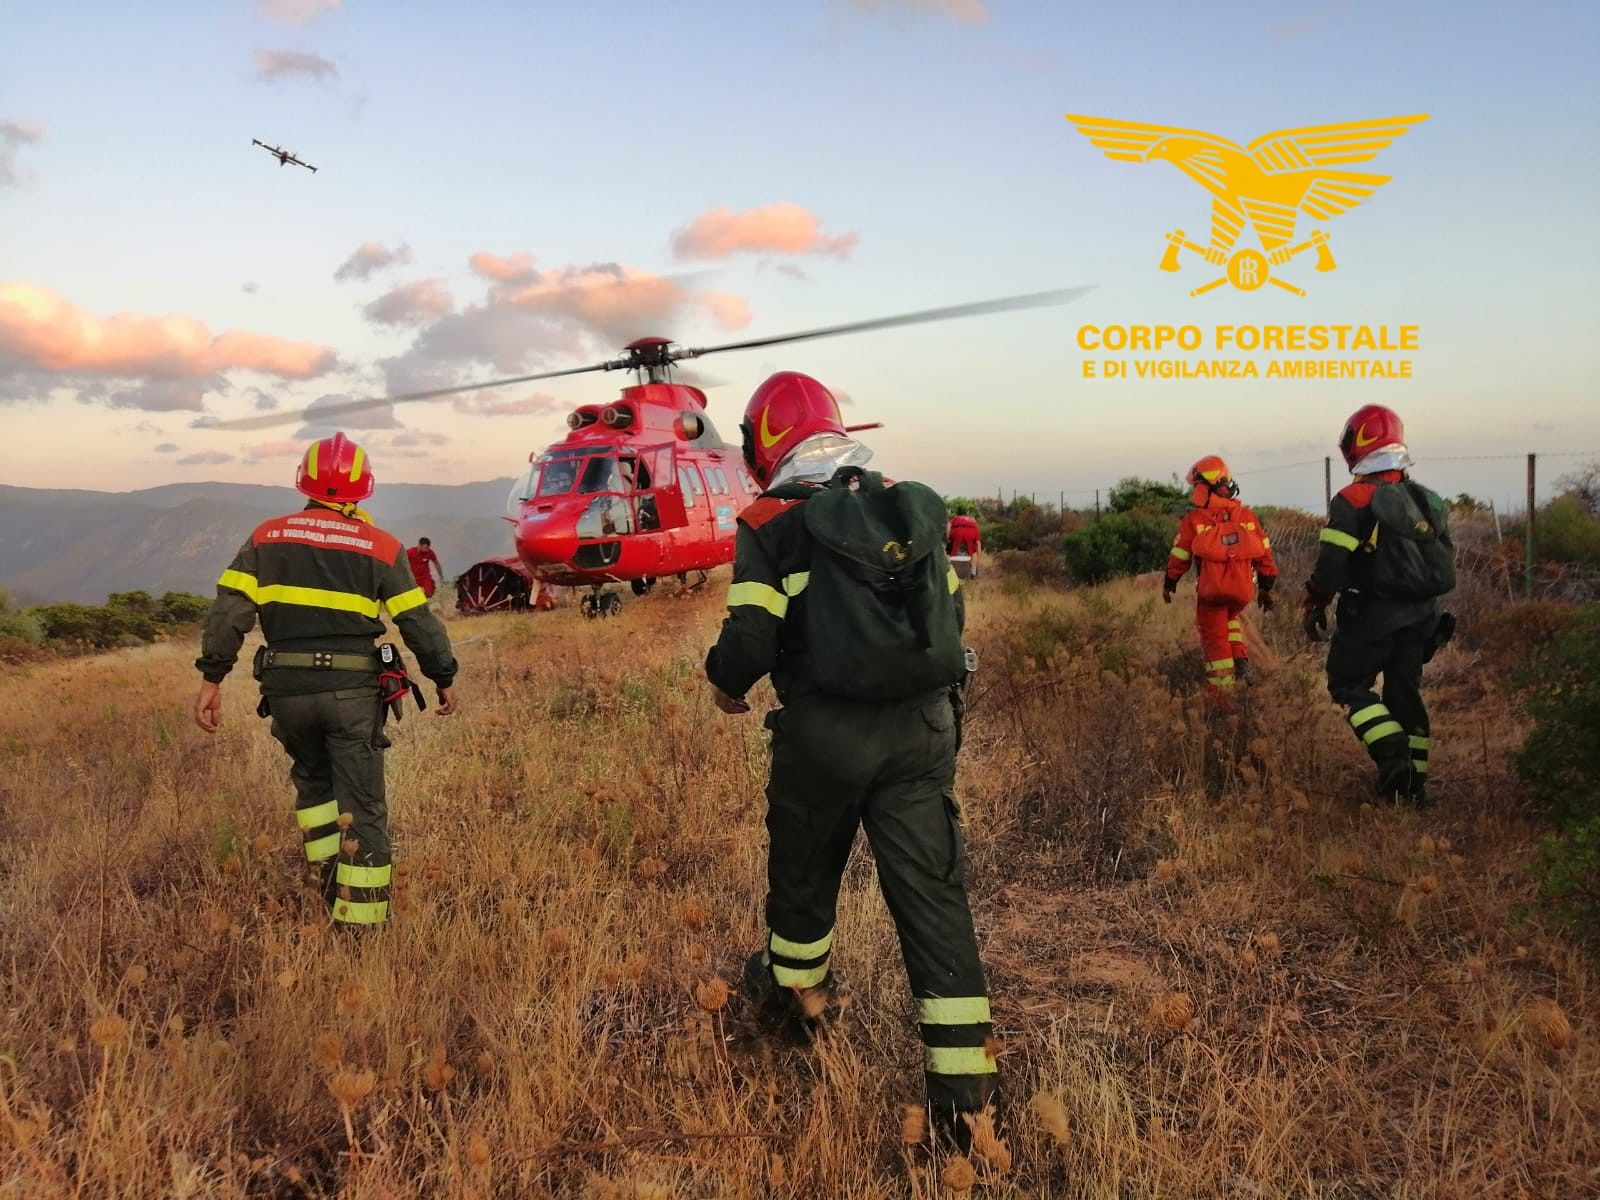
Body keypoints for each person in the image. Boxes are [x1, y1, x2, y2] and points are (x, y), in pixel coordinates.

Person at [704, 371, 996, 1142]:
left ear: (765, 439)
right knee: (935, 903)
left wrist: (724, 685)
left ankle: (800, 1015)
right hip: (922, 732)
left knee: (803, 882)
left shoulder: (771, 519)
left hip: (825, 738)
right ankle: (965, 1099)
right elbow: (950, 618)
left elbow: (749, 639)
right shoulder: (905, 506)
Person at [192, 432, 460, 928]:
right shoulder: (381, 547)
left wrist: (213, 678)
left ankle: (326, 887)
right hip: (353, 694)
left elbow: (230, 612)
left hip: (287, 694)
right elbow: (416, 621)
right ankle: (358, 928)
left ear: (304, 483)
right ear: (364, 488)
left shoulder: (266, 537)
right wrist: (442, 675)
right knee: (362, 804)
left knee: (315, 791)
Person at [1303, 405, 1455, 806]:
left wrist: (1315, 601)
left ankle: (1392, 756)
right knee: (1405, 694)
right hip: (1424, 616)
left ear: (1360, 443)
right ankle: (1412, 791)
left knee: (1348, 684)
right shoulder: (1427, 501)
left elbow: (1331, 568)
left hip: (1371, 616)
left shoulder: (1352, 499)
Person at [1163, 456, 1278, 698]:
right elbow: (1265, 555)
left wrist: (1170, 582)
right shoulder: (1246, 516)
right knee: (1231, 618)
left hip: (1212, 592)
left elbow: (1180, 556)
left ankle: (1223, 699)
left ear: (1205, 488)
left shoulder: (1195, 519)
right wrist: (1267, 589)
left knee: (1215, 639)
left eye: (1196, 486)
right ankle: (1241, 661)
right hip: (1243, 592)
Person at [946, 513, 982, 579]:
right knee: (974, 552)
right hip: (971, 531)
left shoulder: (955, 518)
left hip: (957, 531)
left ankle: (947, 570)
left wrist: (948, 539)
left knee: (949, 551)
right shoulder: (972, 520)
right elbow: (978, 543)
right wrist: (978, 560)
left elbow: (948, 525)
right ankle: (973, 572)